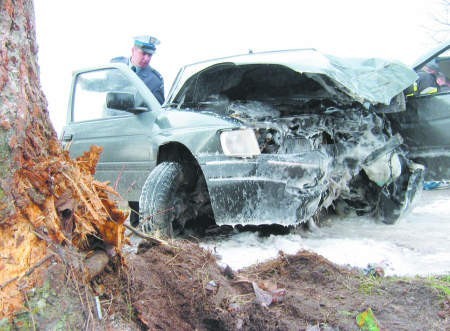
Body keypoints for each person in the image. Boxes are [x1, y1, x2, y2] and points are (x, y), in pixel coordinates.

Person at [111, 35, 165, 104]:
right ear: (133, 50)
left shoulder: (155, 80)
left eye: (150, 55)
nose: (147, 58)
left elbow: (158, 110)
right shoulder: (115, 65)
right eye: (144, 53)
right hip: (109, 114)